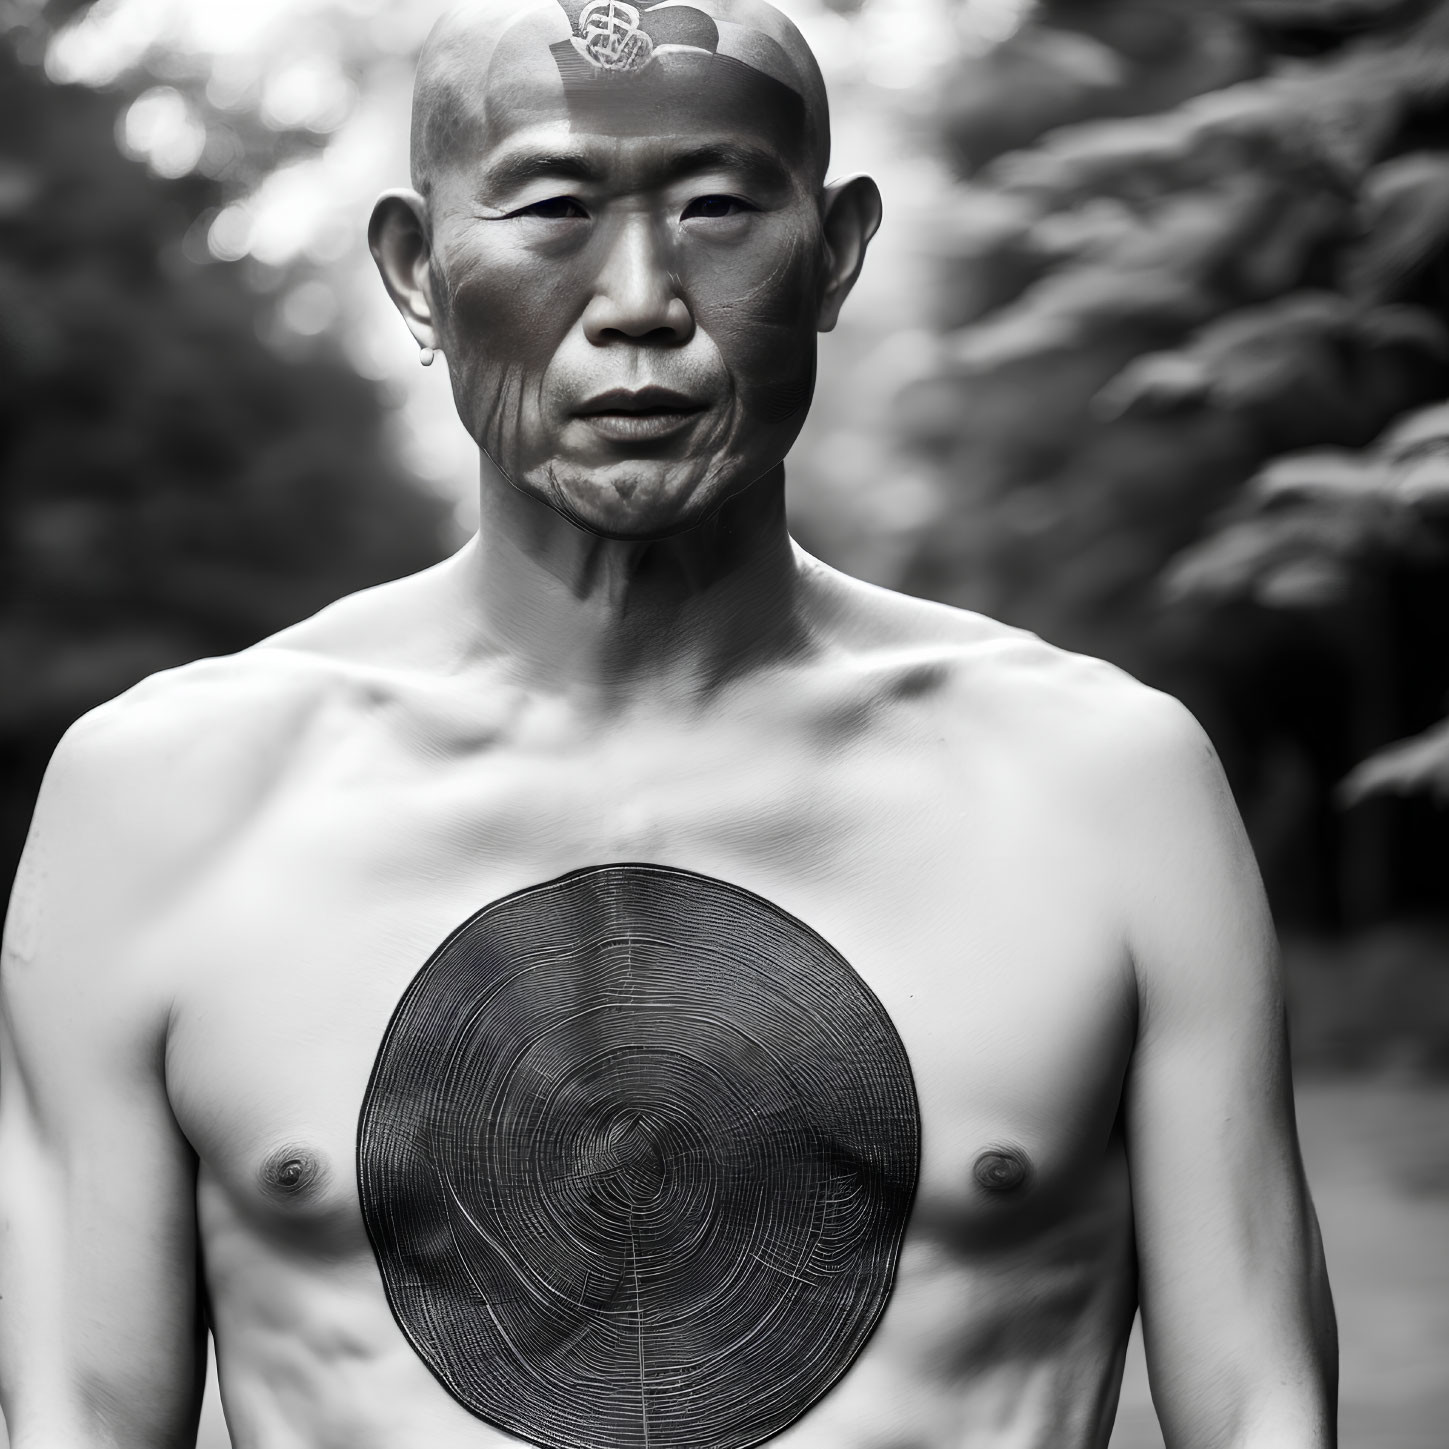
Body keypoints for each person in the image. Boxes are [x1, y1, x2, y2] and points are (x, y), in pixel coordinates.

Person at [0, 0, 1337, 1444]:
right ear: (412, 267)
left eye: (715, 207)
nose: (639, 294)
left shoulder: (1101, 788)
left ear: (830, 255)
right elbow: (76, 1414)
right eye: (554, 205)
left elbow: (1260, 1405)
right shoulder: (161, 803)